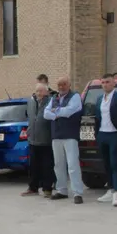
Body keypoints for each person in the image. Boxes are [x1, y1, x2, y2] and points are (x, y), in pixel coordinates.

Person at [44, 76, 85, 204]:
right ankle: (62, 190)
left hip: (70, 135)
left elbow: (70, 111)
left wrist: (55, 113)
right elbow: (45, 114)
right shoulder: (54, 98)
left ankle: (77, 193)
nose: (61, 87)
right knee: (58, 165)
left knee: (72, 165)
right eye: (59, 84)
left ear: (69, 84)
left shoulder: (75, 97)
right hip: (56, 136)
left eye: (64, 84)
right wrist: (58, 113)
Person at [94, 74, 117, 206]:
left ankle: (116, 192)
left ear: (114, 83)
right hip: (103, 134)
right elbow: (97, 118)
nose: (105, 84)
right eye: (103, 82)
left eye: (108, 82)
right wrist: (97, 135)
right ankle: (110, 189)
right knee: (106, 164)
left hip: (115, 134)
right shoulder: (99, 99)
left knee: (115, 163)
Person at [22, 83, 55, 197]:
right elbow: (29, 117)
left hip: (46, 140)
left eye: (41, 91)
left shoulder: (51, 101)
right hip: (33, 140)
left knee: (47, 166)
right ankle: (33, 188)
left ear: (47, 92)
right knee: (33, 166)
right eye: (37, 91)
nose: (39, 93)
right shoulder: (30, 102)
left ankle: (47, 189)